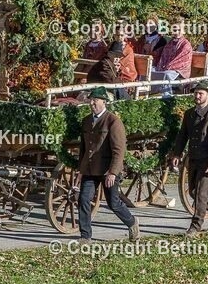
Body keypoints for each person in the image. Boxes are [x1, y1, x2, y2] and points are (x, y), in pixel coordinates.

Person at [76, 87, 139, 242]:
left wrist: (113, 172)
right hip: (90, 169)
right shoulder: (86, 121)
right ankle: (85, 236)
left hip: (107, 170)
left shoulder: (113, 121)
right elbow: (84, 149)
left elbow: (119, 150)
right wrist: (81, 170)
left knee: (113, 203)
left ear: (104, 102)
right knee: (83, 199)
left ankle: (132, 222)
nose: (92, 103)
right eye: (91, 100)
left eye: (95, 100)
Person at [171, 82, 208, 235]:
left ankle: (196, 226)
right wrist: (177, 153)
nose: (197, 96)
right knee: (193, 192)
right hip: (193, 158)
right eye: (196, 93)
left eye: (201, 93)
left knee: (200, 195)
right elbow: (183, 135)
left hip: (207, 160)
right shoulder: (189, 114)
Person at [152, 18, 193, 92]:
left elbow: (181, 60)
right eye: (175, 30)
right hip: (166, 67)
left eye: (179, 30)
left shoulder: (186, 44)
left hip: (179, 71)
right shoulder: (170, 42)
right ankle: (149, 92)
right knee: (150, 70)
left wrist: (167, 67)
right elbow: (164, 56)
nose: (176, 32)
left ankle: (166, 94)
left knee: (166, 75)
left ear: (183, 31)